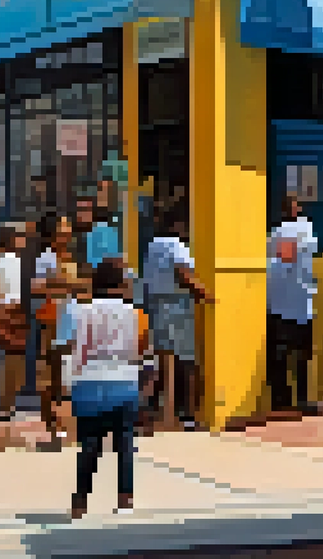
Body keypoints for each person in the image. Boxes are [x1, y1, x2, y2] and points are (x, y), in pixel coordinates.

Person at [62, 258, 149, 519]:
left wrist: (63, 389)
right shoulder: (136, 314)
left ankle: (80, 502)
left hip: (88, 382)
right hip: (124, 381)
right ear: (121, 283)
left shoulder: (81, 311)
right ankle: (125, 500)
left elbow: (71, 349)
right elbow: (141, 349)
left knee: (89, 444)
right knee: (124, 442)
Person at [141, 206, 209, 430]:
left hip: (156, 307)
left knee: (160, 360)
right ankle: (187, 415)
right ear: (179, 226)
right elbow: (183, 275)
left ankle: (149, 409)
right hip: (176, 308)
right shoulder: (177, 246)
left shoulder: (152, 246)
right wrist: (207, 295)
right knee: (186, 361)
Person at [33, 213, 84, 446]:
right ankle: (53, 424)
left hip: (72, 320)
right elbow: (37, 287)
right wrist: (68, 284)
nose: (67, 230)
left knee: (68, 375)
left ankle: (64, 424)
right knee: (52, 375)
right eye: (63, 226)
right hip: (53, 321)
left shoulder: (73, 257)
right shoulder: (45, 258)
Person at [267, 193, 318, 414]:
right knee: (299, 356)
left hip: (281, 303)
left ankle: (283, 400)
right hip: (297, 304)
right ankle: (300, 400)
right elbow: (291, 255)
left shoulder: (275, 235)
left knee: (283, 356)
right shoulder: (304, 230)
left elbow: (279, 257)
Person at [0, 224, 30, 421]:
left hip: (2, 312)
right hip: (10, 313)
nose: (23, 239)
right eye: (19, 236)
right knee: (12, 361)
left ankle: (6, 404)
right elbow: (10, 296)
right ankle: (5, 405)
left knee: (8, 361)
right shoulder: (11, 262)